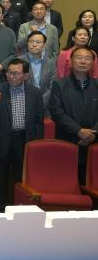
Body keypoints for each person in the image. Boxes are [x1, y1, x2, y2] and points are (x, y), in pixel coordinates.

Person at [0, 58, 44, 211]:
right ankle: (0, 208)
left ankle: (19, 208)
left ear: (25, 75)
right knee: (1, 177)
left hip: (24, 140)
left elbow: (39, 120)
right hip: (3, 140)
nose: (11, 76)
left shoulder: (35, 93)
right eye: (9, 73)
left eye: (16, 73)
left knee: (21, 177)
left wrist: (35, 143)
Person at [49, 46, 98, 184]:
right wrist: (78, 131)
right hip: (67, 140)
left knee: (90, 184)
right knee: (66, 182)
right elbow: (57, 112)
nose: (83, 61)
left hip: (94, 142)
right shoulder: (59, 84)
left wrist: (91, 133)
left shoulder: (97, 85)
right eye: (79, 57)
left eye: (87, 58)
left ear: (93, 63)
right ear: (70, 61)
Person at [19, 31, 57, 107]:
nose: (34, 45)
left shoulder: (51, 63)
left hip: (45, 104)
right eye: (31, 41)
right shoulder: (18, 61)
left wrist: (41, 102)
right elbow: (16, 84)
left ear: (44, 45)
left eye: (38, 42)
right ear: (27, 43)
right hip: (23, 103)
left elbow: (52, 86)